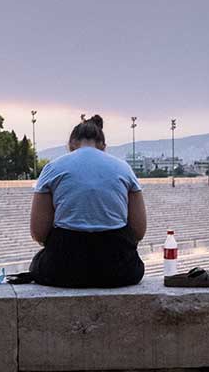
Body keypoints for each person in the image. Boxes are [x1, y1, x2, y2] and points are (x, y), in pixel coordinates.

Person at [25, 115, 147, 288]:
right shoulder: (124, 169)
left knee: (38, 262)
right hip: (120, 270)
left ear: (72, 143)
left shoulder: (53, 168)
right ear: (103, 145)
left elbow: (38, 233)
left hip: (62, 269)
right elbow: (138, 231)